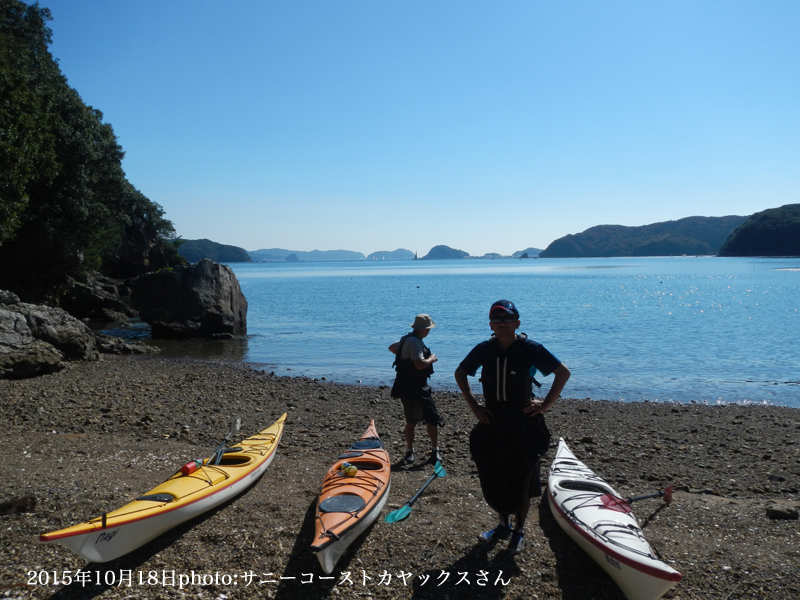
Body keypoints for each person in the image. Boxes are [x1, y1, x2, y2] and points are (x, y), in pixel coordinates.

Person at [455, 299, 570, 554]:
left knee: (524, 478)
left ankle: (519, 530)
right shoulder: (484, 349)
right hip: (493, 420)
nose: (502, 324)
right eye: (497, 320)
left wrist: (546, 404)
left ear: (517, 323)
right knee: (495, 475)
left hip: (524, 423)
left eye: (507, 320)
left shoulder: (530, 349)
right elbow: (460, 373)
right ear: (491, 325)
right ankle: (502, 524)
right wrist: (474, 405)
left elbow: (563, 373)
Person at [389, 314, 443, 464]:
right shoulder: (414, 342)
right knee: (413, 420)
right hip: (413, 386)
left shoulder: (407, 339)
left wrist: (403, 358)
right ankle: (411, 451)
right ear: (425, 329)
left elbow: (392, 348)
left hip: (410, 385)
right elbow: (419, 364)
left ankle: (431, 451)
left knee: (431, 417)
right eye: (429, 329)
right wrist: (432, 358)